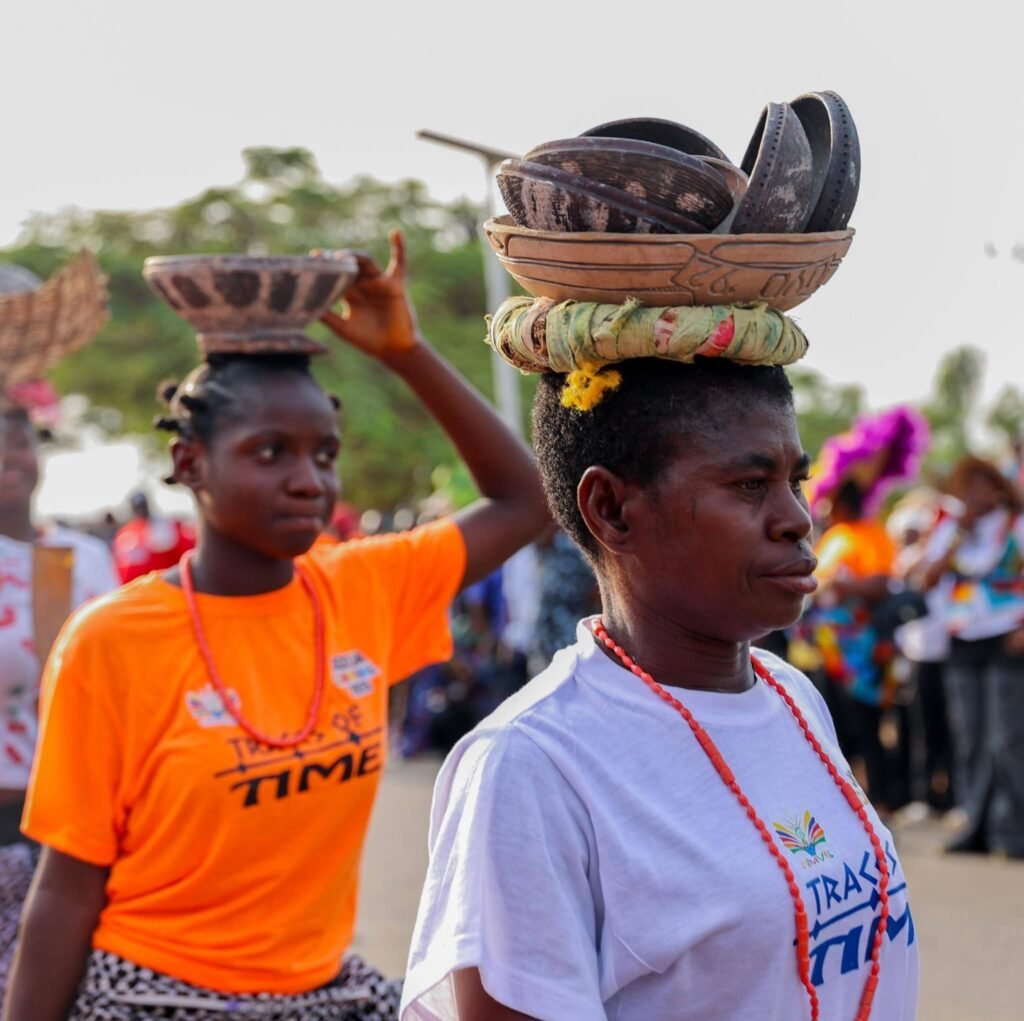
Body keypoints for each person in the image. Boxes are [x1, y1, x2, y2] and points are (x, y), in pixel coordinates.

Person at [4, 233, 549, 1021]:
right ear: (189, 463)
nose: (308, 480)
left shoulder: (361, 585)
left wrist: (407, 352)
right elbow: (66, 885)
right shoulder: (113, 639)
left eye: (323, 454)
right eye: (270, 452)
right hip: (152, 993)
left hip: (323, 992)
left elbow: (527, 502)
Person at [401, 358, 918, 1020]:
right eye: (750, 484)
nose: (796, 518)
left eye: (796, 480)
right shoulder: (533, 764)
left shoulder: (790, 694)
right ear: (611, 509)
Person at [0, 401, 119, 992]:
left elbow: (121, 684)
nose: (9, 457)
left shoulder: (84, 560)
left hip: (68, 823)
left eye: (19, 441)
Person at [913, 455, 1024, 857]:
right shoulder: (951, 530)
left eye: (982, 485)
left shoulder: (1016, 525)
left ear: (997, 488)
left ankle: (1011, 831)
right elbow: (926, 580)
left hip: (1006, 637)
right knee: (969, 738)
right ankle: (974, 827)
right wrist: (958, 533)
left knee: (1007, 739)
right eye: (967, 487)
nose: (975, 494)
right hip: (962, 639)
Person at [798, 479, 903, 810]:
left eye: (832, 503)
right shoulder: (833, 536)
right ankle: (844, 800)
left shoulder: (871, 534)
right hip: (828, 652)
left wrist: (843, 587)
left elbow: (882, 584)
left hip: (863, 654)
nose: (825, 509)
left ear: (845, 503)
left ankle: (880, 798)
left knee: (867, 725)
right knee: (833, 725)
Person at [111, 490, 195, 582]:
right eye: (137, 507)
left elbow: (186, 551)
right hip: (140, 586)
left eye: (143, 506)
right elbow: (122, 567)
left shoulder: (166, 526)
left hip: (166, 582)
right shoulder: (126, 533)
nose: (141, 510)